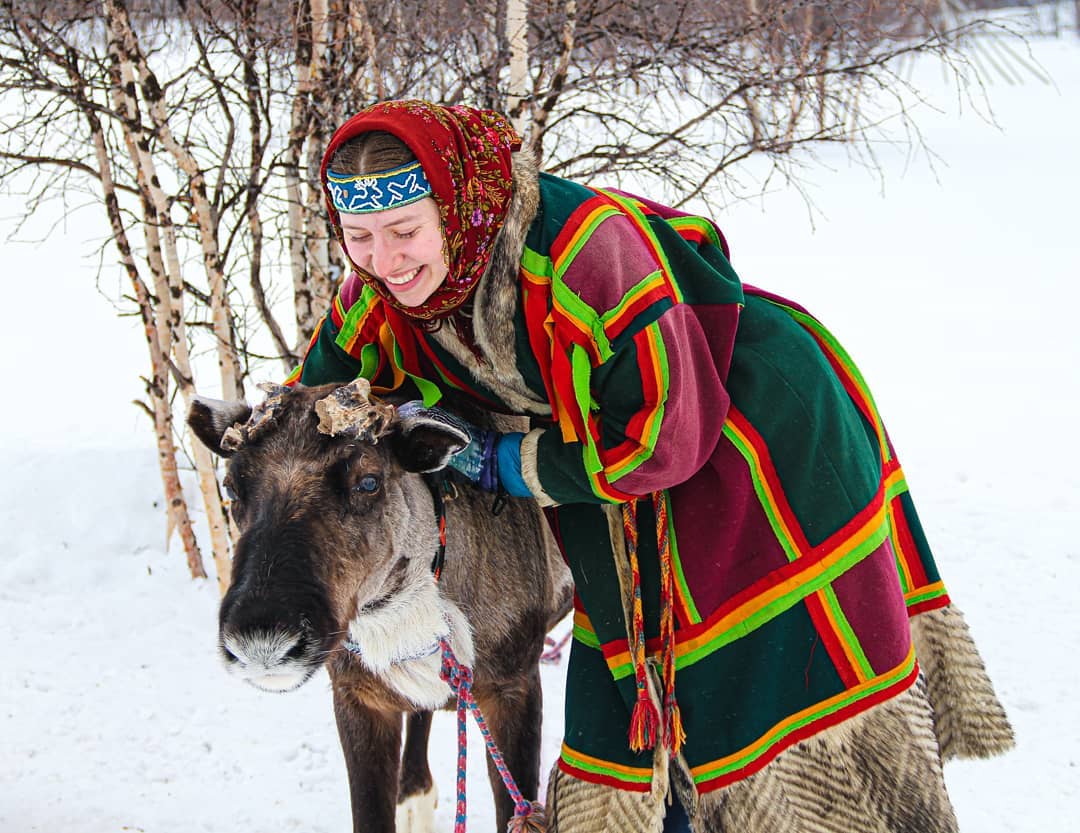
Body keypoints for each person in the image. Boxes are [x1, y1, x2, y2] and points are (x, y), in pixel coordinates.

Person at [287, 99, 1013, 832]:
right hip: (617, 478)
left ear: (457, 204)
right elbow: (308, 407)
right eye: (359, 238)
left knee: (758, 683)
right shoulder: (377, 298)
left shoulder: (585, 251)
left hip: (755, 433)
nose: (384, 261)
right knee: (634, 702)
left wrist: (509, 460)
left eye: (405, 231)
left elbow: (668, 438)